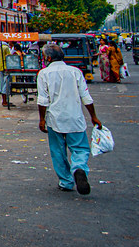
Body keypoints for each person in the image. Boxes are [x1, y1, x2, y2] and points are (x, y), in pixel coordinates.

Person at [36, 44, 101, 195]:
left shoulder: (44, 74)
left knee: (58, 151)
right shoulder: (75, 72)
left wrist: (42, 119)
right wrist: (94, 117)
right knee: (80, 148)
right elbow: (86, 97)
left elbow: (43, 100)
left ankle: (65, 181)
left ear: (49, 58)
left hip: (55, 118)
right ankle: (79, 168)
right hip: (75, 118)